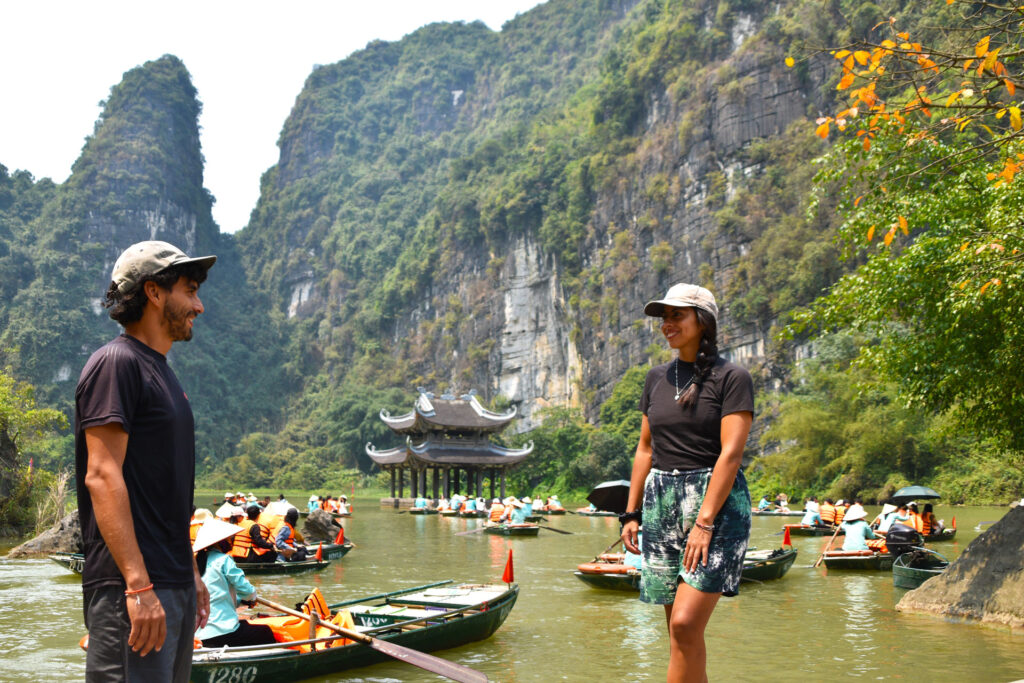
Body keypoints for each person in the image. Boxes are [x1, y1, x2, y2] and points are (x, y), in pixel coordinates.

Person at [74, 240, 215, 681]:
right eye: (189, 290)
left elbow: (167, 493)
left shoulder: (164, 375)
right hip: (131, 590)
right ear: (154, 292)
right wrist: (138, 585)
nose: (199, 305)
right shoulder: (116, 364)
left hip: (170, 583)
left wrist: (189, 571)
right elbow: (101, 474)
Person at [620, 283, 754, 683]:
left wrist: (704, 522)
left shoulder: (732, 377)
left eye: (677, 315)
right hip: (661, 502)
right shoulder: (656, 378)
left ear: (703, 320)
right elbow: (645, 449)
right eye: (664, 317)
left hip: (715, 504)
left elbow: (730, 454)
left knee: (683, 624)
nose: (667, 324)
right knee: (680, 633)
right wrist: (631, 512)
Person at [193, 519, 277, 648]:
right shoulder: (223, 560)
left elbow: (219, 597)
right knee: (266, 632)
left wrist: (243, 601)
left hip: (200, 634)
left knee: (246, 626)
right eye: (229, 539)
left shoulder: (196, 564)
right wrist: (251, 597)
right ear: (220, 542)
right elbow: (247, 590)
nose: (231, 541)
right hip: (222, 632)